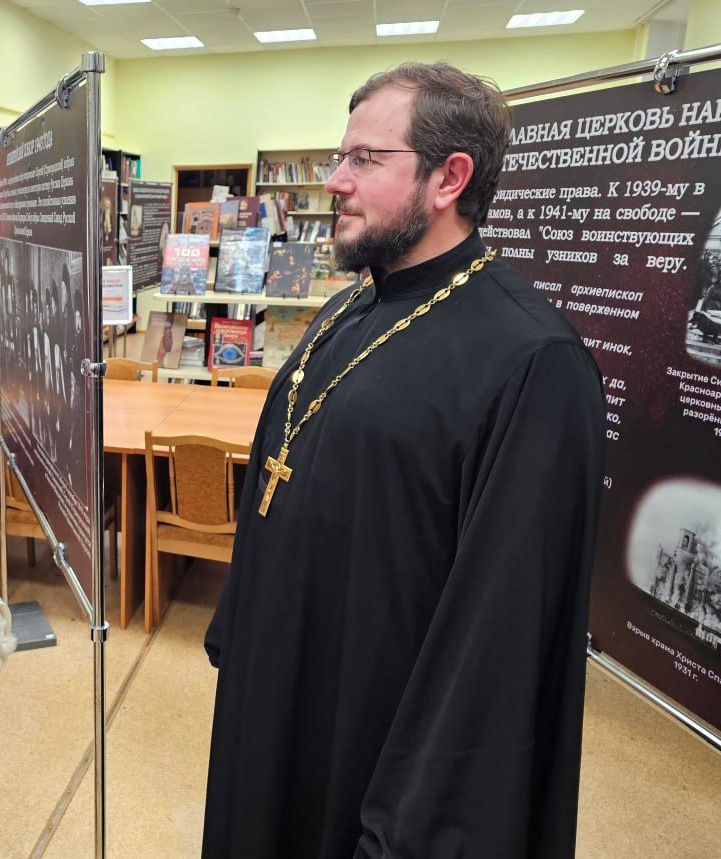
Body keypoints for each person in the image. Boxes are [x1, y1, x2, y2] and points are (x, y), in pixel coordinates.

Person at [203, 62, 605, 859]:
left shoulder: (532, 361)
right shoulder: (347, 308)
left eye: (364, 159)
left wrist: (407, 825)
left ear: (450, 178)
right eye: (339, 157)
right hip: (276, 697)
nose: (334, 182)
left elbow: (496, 637)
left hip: (375, 751)